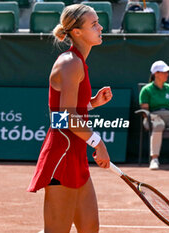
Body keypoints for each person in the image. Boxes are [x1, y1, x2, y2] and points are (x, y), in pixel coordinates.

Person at [27, 4, 113, 233]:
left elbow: (65, 111)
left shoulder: (78, 62)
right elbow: (63, 119)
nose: (100, 27)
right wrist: (98, 142)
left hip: (75, 154)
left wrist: (92, 103)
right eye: (94, 24)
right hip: (61, 155)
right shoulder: (70, 63)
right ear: (77, 32)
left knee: (90, 229)